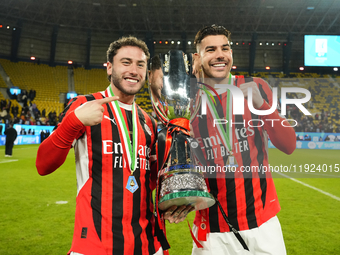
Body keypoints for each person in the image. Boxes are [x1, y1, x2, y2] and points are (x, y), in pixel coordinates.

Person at [36, 36, 168, 255]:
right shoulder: (85, 105)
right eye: (126, 62)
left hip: (146, 246)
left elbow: (152, 183)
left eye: (140, 64)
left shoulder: (150, 122)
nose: (134, 70)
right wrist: (73, 122)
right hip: (95, 246)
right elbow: (43, 165)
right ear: (109, 68)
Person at [190, 25, 296, 255]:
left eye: (225, 48)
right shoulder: (188, 102)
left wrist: (263, 107)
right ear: (198, 57)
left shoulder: (256, 87)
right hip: (212, 232)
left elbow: (288, 146)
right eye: (211, 49)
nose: (220, 54)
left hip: (263, 225)